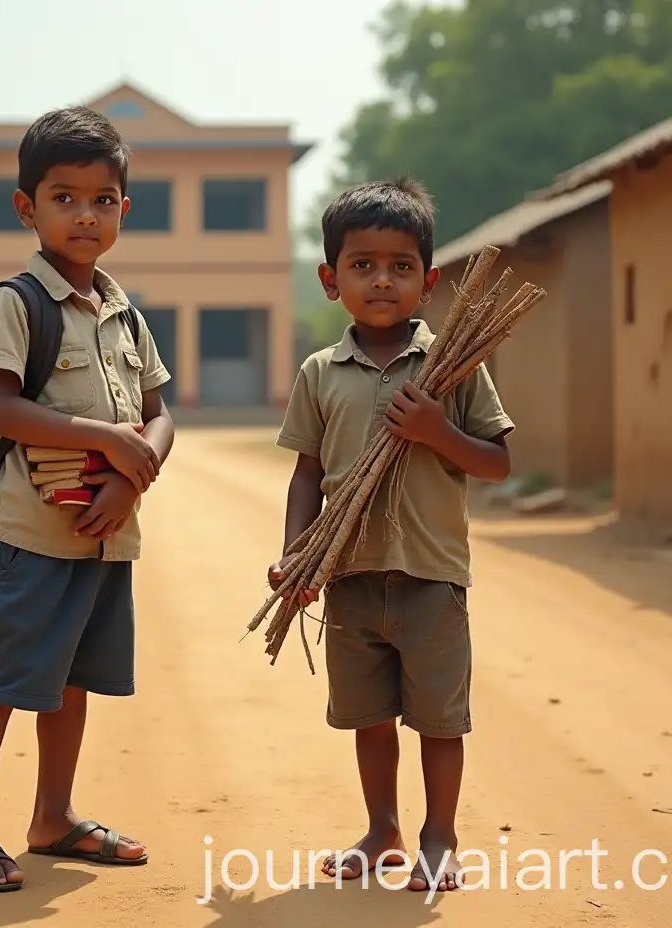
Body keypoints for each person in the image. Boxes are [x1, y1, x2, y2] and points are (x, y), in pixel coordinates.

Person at [0, 106, 174, 892]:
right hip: (32, 533)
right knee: (5, 680)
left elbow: (159, 414)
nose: (85, 213)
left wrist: (131, 473)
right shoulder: (18, 301)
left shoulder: (123, 310)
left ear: (124, 211)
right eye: (64, 196)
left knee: (71, 681)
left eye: (103, 199)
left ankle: (53, 815)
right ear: (26, 208)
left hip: (106, 532)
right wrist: (104, 440)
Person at [267, 178, 513, 893]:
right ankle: (384, 830)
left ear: (429, 281)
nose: (382, 279)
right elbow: (307, 474)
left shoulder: (454, 369)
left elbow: (497, 462)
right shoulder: (320, 372)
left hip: (432, 578)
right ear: (330, 279)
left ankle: (441, 838)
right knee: (368, 718)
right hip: (347, 578)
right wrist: (296, 552)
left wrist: (437, 431)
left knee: (439, 720)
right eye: (363, 264)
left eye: (401, 266)